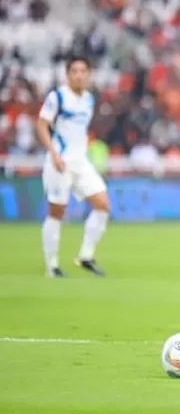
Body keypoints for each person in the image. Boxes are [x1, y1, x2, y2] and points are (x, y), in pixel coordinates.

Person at [36, 56, 110, 278]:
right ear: (67, 75)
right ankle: (52, 266)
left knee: (103, 205)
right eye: (74, 71)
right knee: (57, 212)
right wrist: (54, 153)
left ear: (88, 75)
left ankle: (86, 256)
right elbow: (41, 125)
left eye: (83, 71)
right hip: (60, 162)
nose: (79, 75)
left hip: (81, 161)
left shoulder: (89, 99)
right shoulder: (57, 96)